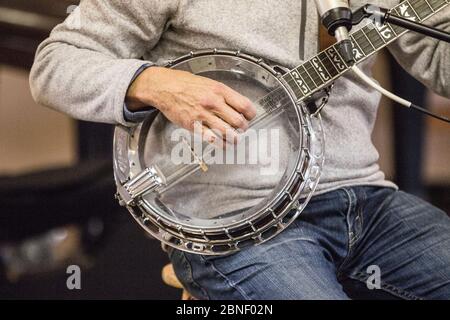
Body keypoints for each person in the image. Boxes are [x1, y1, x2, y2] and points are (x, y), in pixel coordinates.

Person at [29, 0, 450, 299]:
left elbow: (437, 60)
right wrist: (152, 82)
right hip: (235, 227)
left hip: (367, 200)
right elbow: (54, 65)